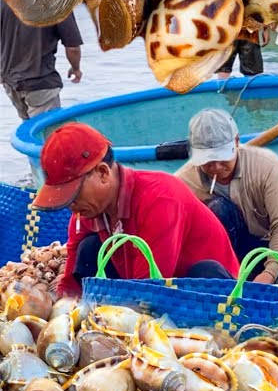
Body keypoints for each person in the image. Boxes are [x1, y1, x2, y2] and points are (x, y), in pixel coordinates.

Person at [33, 123, 239, 297]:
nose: (72, 206)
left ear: (103, 173)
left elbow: (147, 288)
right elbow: (71, 277)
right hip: (141, 282)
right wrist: (62, 304)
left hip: (208, 293)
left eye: (74, 195)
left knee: (204, 273)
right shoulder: (87, 211)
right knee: (89, 248)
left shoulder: (160, 199)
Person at [176, 109, 278, 284]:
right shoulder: (183, 182)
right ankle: (227, 282)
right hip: (217, 256)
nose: (216, 167)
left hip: (261, 248)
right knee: (218, 208)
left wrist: (270, 273)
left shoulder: (266, 167)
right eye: (208, 161)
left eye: (223, 157)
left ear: (237, 141)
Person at [1, 0, 82, 121]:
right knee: (47, 130)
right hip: (41, 81)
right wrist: (76, 68)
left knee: (29, 128)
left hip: (11, 82)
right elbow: (73, 48)